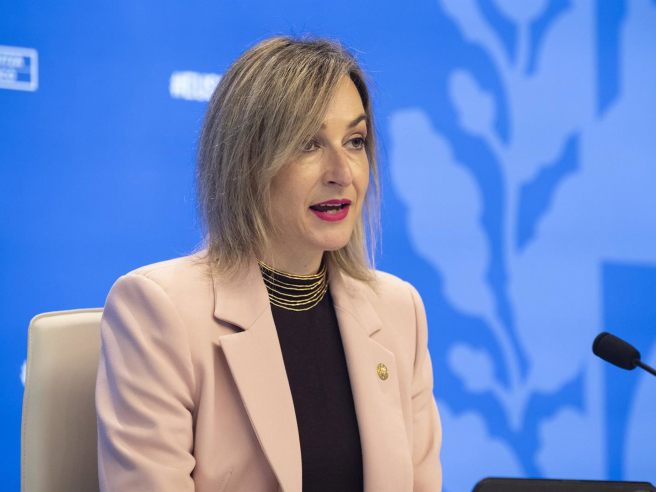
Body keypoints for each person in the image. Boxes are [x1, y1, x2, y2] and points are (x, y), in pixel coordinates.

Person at [95, 36, 442, 492]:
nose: (342, 172)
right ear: (247, 161)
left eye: (355, 141)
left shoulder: (400, 310)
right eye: (308, 144)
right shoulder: (157, 311)